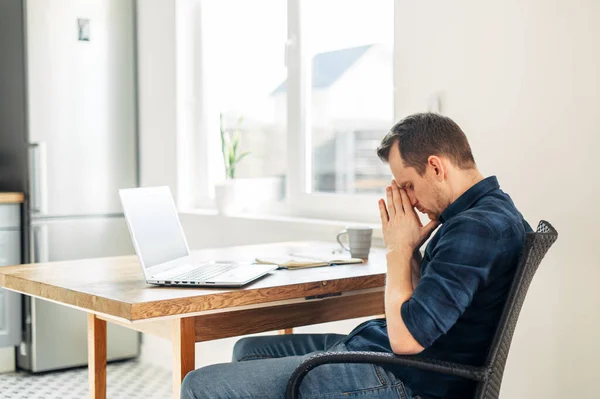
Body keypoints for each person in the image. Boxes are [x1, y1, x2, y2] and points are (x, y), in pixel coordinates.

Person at [181, 113, 532, 399]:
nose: (408, 199)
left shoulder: (476, 229)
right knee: (248, 350)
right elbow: (427, 308)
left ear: (437, 167)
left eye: (408, 185)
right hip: (400, 360)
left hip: (406, 380)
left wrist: (396, 249)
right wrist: (409, 251)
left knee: (199, 385)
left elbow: (406, 339)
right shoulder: (490, 212)